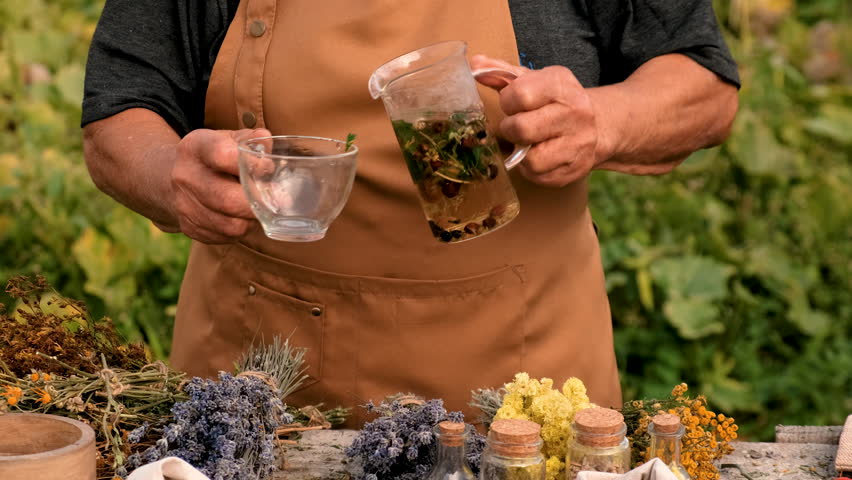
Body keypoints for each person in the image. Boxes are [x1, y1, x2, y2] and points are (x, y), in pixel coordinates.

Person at [81, 0, 739, 425]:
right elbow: (119, 108)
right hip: (254, 391)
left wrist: (602, 121)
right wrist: (173, 180)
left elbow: (704, 87)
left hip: (517, 389)